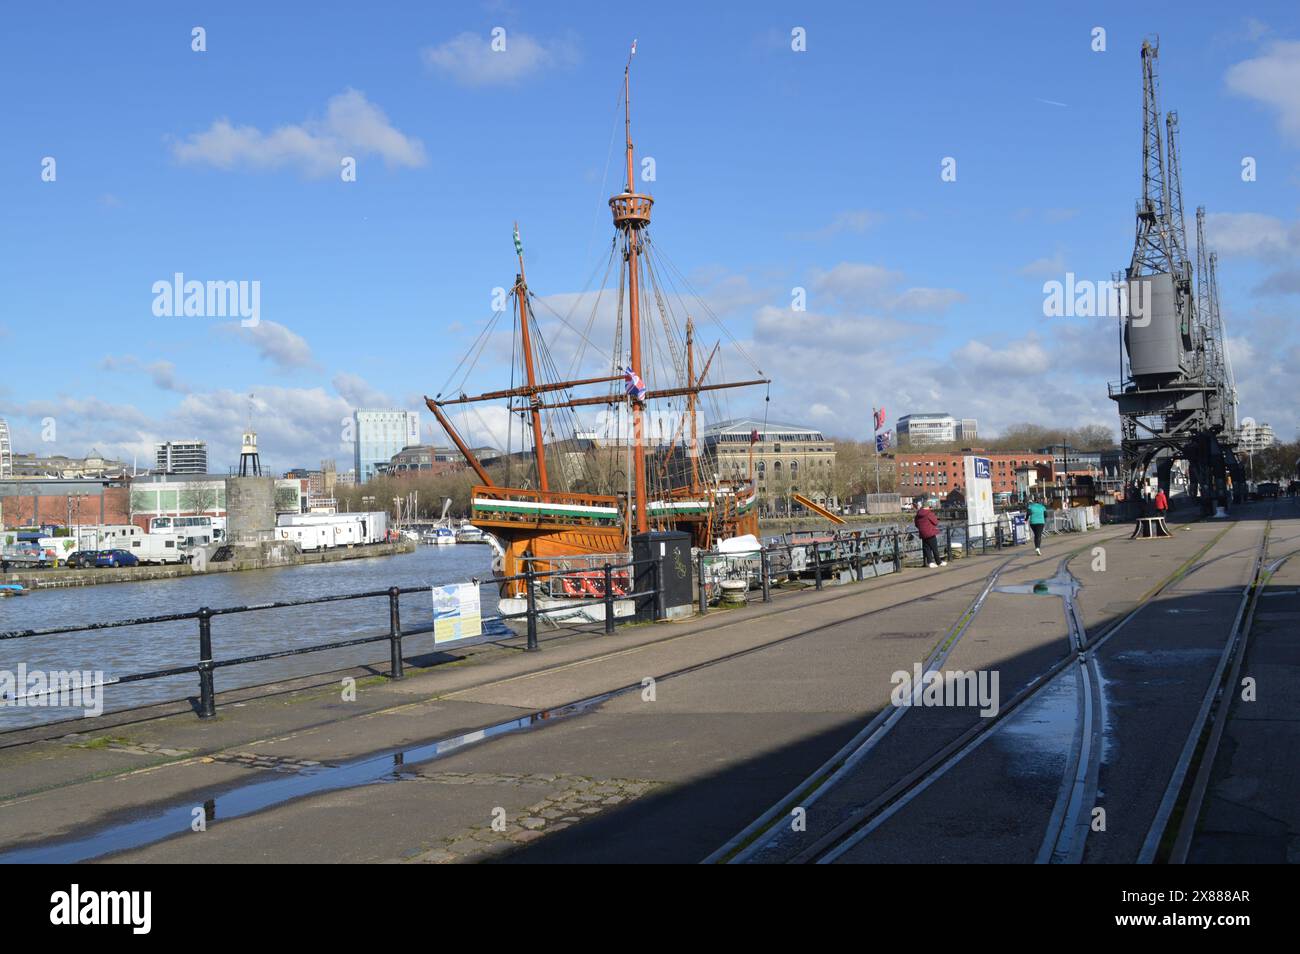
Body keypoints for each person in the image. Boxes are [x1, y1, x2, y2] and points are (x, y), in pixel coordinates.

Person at [914, 501, 945, 568]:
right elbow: (936, 522)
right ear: (928, 507)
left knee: (927, 548)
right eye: (929, 507)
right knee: (934, 548)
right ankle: (938, 562)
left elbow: (916, 524)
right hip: (930, 533)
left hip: (923, 533)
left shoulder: (918, 514)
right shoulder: (929, 513)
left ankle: (930, 562)